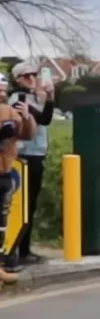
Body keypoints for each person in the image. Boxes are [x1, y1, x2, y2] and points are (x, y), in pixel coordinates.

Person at [7, 62, 54, 268]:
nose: (32, 79)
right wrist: (48, 97)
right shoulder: (19, 99)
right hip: (26, 157)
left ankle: (24, 249)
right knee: (24, 205)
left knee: (30, 205)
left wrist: (47, 97)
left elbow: (45, 117)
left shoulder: (33, 98)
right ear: (18, 79)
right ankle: (20, 251)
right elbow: (44, 119)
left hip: (36, 155)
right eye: (27, 76)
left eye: (35, 75)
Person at [0, 74, 36, 285]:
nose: (3, 94)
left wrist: (27, 117)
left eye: (4, 91)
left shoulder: (10, 111)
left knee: (1, 224)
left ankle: (1, 266)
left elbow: (27, 134)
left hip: (5, 172)